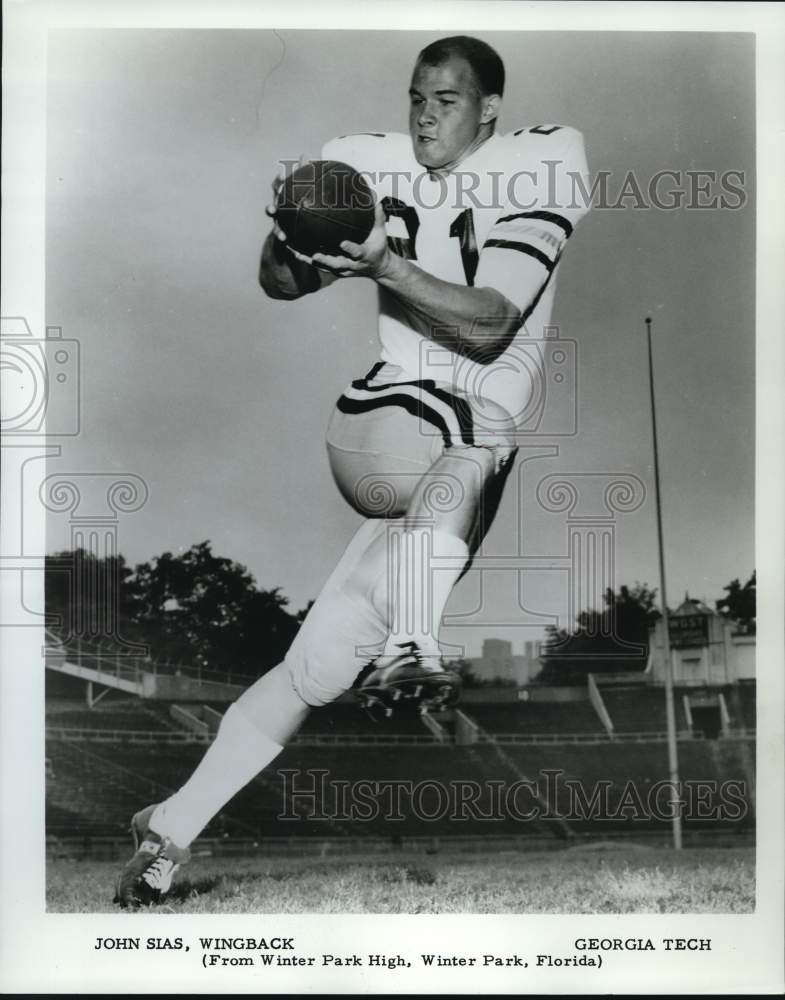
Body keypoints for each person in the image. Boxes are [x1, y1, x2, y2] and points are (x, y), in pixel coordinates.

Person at [114, 34, 590, 907]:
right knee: (477, 427)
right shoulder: (361, 163)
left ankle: (167, 828)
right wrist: (294, 230)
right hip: (386, 419)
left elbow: (489, 325)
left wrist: (380, 262)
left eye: (444, 99)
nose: (422, 113)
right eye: (414, 95)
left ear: (489, 109)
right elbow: (278, 284)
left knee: (319, 669)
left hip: (446, 477)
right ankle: (416, 643)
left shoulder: (542, 163)